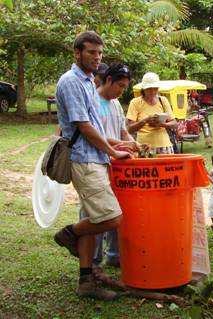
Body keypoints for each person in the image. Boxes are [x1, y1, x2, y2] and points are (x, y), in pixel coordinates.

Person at [54, 31, 133, 301]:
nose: (96, 57)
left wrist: (117, 145)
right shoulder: (70, 82)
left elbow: (96, 126)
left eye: (99, 53)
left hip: (96, 157)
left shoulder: (89, 81)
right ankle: (68, 234)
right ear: (77, 53)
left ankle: (86, 281)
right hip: (84, 159)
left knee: (91, 217)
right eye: (91, 52)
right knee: (111, 218)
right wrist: (111, 149)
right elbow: (84, 126)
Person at [79, 63, 141, 270]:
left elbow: (123, 131)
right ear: (108, 80)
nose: (121, 91)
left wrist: (134, 142)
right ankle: (93, 260)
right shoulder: (92, 101)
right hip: (96, 164)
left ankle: (114, 255)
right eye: (120, 86)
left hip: (118, 167)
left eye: (125, 87)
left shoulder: (115, 104)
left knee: (117, 210)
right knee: (94, 213)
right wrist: (121, 145)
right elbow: (96, 136)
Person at [126, 72, 178, 154]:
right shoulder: (135, 102)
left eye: (155, 88)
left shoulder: (163, 100)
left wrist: (162, 124)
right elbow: (130, 129)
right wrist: (146, 120)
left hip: (164, 146)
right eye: (149, 89)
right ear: (144, 89)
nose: (153, 91)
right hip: (144, 147)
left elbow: (175, 124)